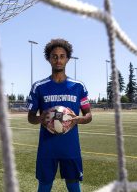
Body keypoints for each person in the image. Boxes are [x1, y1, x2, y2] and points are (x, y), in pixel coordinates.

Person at [27, 38, 92, 192]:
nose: (58, 60)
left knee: (74, 185)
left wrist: (79, 119)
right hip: (47, 147)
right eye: (54, 56)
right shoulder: (39, 87)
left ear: (67, 59)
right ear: (49, 59)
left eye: (62, 56)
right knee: (44, 186)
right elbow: (30, 117)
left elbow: (89, 115)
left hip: (70, 147)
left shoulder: (78, 86)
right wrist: (39, 118)